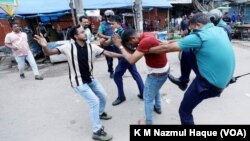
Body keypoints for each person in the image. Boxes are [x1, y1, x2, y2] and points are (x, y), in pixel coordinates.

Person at [34, 25, 123, 141]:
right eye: (82, 32)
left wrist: (123, 55)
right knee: (94, 102)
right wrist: (45, 47)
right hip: (79, 82)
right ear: (76, 36)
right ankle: (97, 131)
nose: (85, 33)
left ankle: (100, 113)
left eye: (84, 32)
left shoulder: (91, 47)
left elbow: (108, 53)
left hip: (90, 79)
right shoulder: (68, 47)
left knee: (103, 96)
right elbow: (50, 53)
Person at [148, 13, 235, 124]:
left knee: (184, 111)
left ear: (198, 25)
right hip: (224, 79)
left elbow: (166, 48)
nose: (191, 31)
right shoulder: (220, 30)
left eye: (192, 28)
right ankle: (183, 81)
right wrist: (169, 41)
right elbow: (186, 41)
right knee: (187, 51)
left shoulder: (200, 36)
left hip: (208, 85)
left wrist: (144, 50)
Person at [112, 28, 170, 124]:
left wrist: (120, 46)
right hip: (162, 70)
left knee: (147, 98)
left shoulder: (145, 42)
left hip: (157, 74)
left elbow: (131, 60)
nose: (131, 45)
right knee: (155, 89)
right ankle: (158, 107)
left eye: (130, 43)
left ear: (133, 38)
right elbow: (135, 50)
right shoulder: (146, 35)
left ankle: (148, 122)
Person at [167, 9, 232, 91]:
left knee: (189, 53)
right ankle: (183, 80)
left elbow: (221, 48)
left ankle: (204, 81)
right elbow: (194, 36)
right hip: (209, 51)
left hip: (214, 57)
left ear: (213, 19)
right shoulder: (214, 27)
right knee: (187, 52)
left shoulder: (223, 28)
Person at [101, 15, 144, 106]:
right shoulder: (116, 32)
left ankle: (121, 97)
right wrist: (102, 42)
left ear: (119, 23)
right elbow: (108, 42)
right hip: (127, 57)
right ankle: (143, 93)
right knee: (135, 74)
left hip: (125, 58)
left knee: (117, 75)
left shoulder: (122, 33)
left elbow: (131, 46)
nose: (111, 26)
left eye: (113, 24)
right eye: (110, 24)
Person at [97, 10, 116, 78]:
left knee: (121, 57)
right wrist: (108, 37)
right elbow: (99, 34)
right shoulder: (103, 24)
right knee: (109, 59)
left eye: (111, 16)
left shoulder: (115, 22)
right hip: (108, 44)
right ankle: (111, 71)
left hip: (116, 43)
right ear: (105, 17)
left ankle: (120, 70)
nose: (109, 17)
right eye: (108, 16)